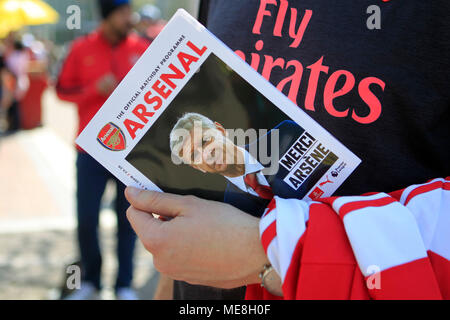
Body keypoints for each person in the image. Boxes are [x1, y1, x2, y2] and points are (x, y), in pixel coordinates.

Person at [127, 0, 450, 300]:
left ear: (222, 131)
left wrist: (267, 253)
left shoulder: (285, 137)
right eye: (194, 155)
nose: (206, 154)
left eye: (206, 142)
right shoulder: (210, 198)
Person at [56, 0, 148, 300]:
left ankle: (124, 284)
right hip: (90, 151)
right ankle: (91, 281)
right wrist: (94, 89)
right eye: (123, 13)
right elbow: (61, 90)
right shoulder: (81, 48)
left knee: (130, 219)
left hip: (130, 153)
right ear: (108, 16)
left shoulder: (143, 47)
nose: (130, 18)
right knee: (86, 218)